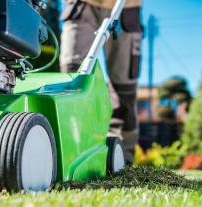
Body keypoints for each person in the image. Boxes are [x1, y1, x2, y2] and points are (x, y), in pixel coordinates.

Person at [59, 0, 143, 164]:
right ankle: (69, 152)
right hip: (81, 5)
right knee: (72, 81)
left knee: (124, 90)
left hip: (127, 7)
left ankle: (122, 159)